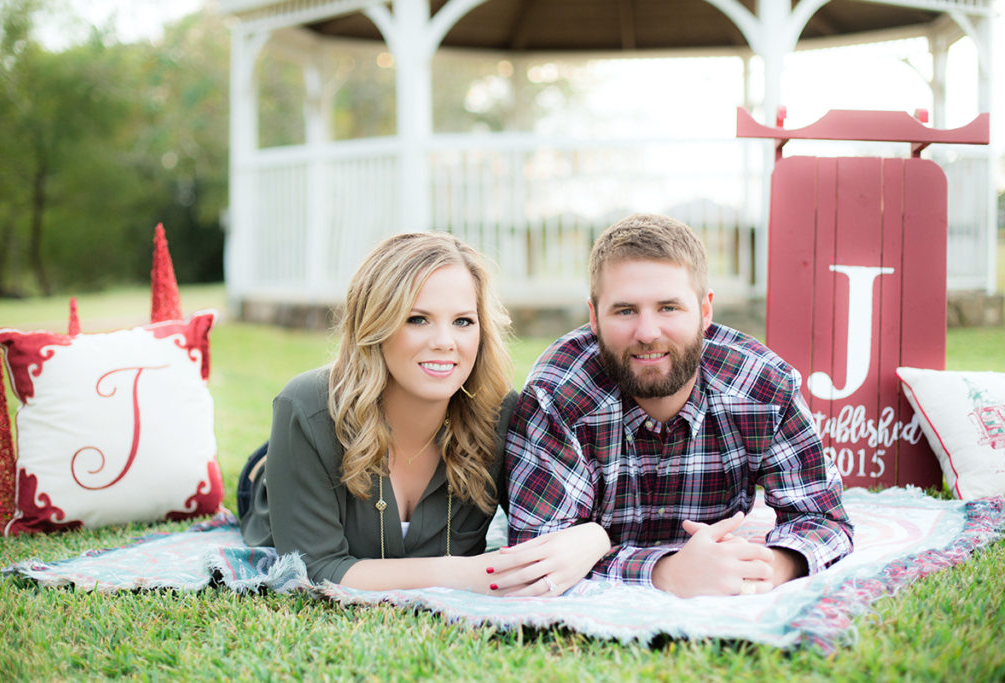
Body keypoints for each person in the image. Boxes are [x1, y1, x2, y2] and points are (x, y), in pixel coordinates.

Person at [238, 232, 609, 594]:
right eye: (417, 319)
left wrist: (596, 535)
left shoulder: (501, 414)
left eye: (463, 321)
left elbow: (557, 525)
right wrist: (464, 573)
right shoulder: (306, 409)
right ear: (376, 324)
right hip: (278, 474)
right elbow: (314, 570)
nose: (445, 342)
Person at [505, 213, 853, 598]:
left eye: (669, 308)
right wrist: (666, 574)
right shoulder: (557, 396)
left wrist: (759, 569)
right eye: (625, 310)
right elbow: (536, 554)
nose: (648, 333)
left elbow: (823, 519)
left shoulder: (763, 388)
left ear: (705, 311)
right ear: (594, 317)